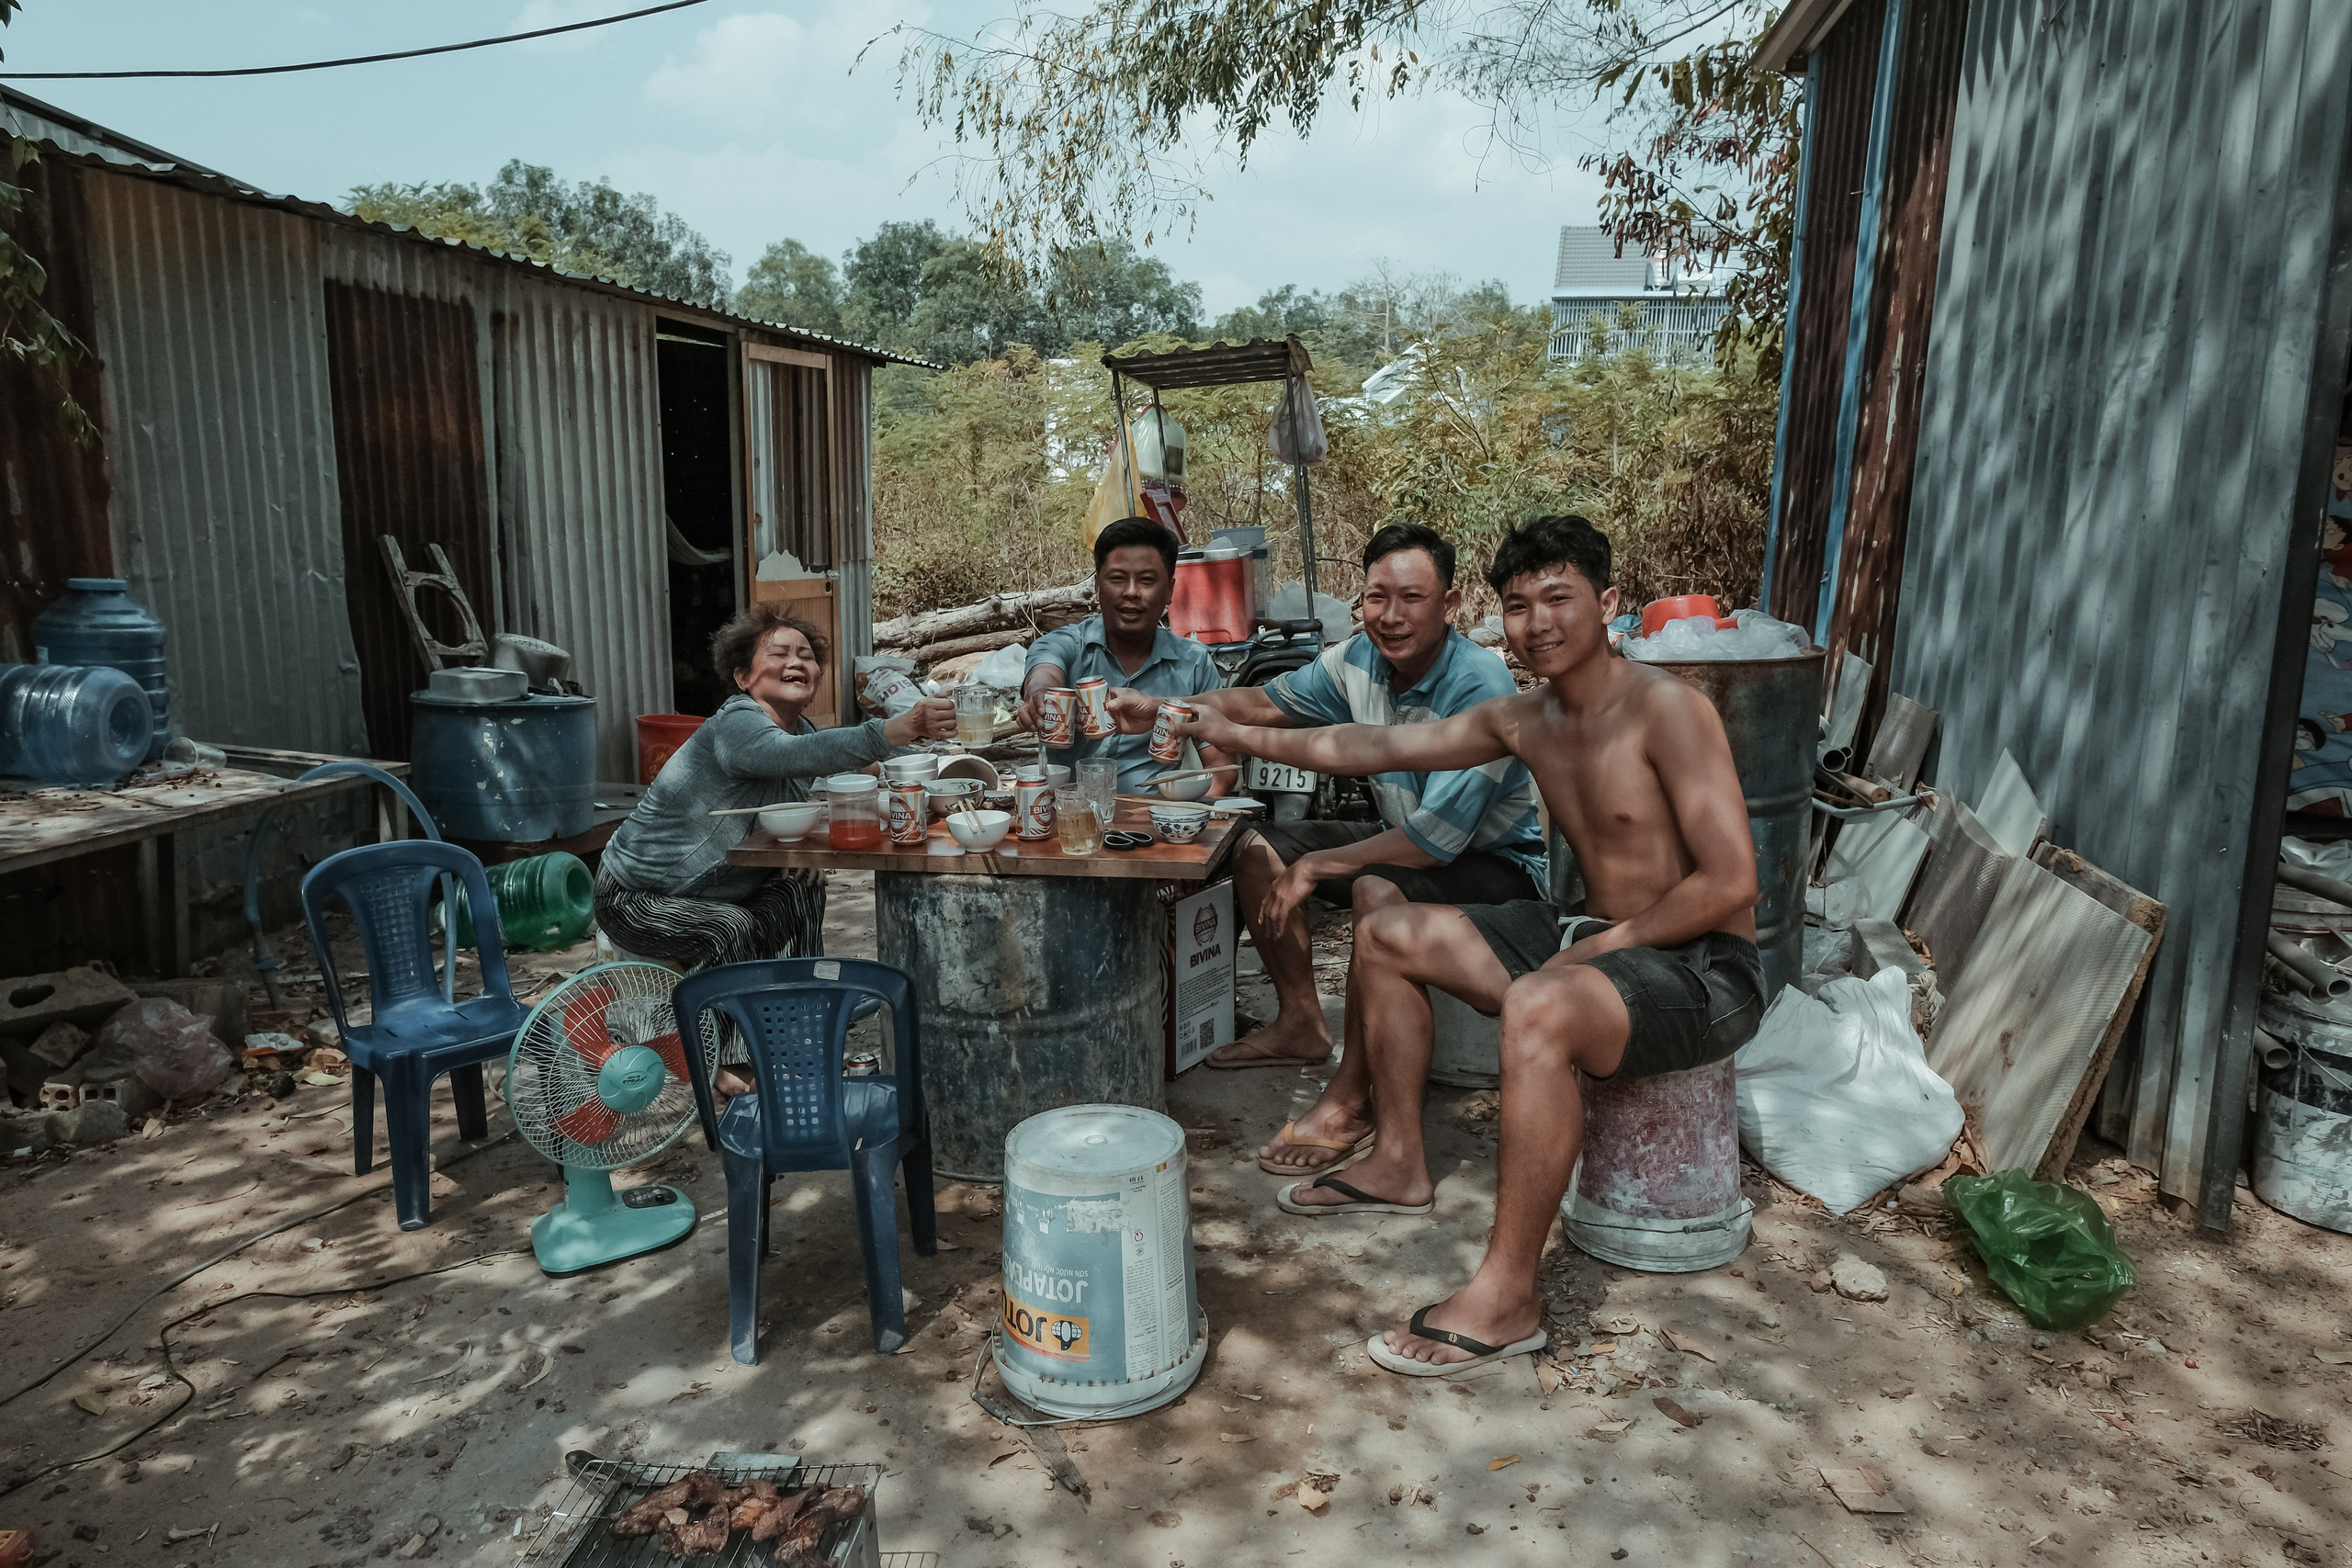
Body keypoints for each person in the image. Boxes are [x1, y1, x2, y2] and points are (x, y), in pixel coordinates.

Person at [1175, 515, 1766, 1376]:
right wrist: (1231, 732)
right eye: (1518, 605)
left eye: (1559, 599)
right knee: (1385, 929)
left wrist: (1596, 953)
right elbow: (1368, 746)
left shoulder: (1670, 710)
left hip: (1705, 966)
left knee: (1536, 1004)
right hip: (1594, 937)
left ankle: (1508, 1293)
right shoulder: (1524, 718)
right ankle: (1399, 1161)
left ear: (1608, 604)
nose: (1538, 623)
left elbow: (1730, 883)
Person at [1119, 523, 1544, 1092]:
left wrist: (1315, 866)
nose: (1390, 616)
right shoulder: (1359, 657)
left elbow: (1435, 843)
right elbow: (1261, 703)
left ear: (1450, 604)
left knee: (1376, 888)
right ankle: (1301, 1022)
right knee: (1251, 845)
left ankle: (1360, 1086)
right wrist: (1162, 708)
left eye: (1412, 599)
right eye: (1376, 597)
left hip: (1498, 864)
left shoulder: (1479, 683)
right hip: (1405, 833)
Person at [595, 604, 956, 1090]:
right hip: (635, 898)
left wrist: (926, 784)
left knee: (801, 887)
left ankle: (804, 1025)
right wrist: (894, 729)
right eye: (780, 653)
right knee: (731, 927)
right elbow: (792, 756)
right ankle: (728, 1060)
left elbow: (826, 759)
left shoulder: (800, 732)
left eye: (806, 655)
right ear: (742, 676)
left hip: (719, 890)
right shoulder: (736, 725)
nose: (797, 663)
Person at [1018, 516, 1227, 794]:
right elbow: (1044, 672)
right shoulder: (1066, 643)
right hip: (1068, 817)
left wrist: (1182, 819)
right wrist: (1039, 695)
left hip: (1156, 819)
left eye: (1147, 581)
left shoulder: (1194, 662)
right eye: (1117, 579)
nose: (1131, 592)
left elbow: (1222, 772)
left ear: (1170, 590)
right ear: (1096, 586)